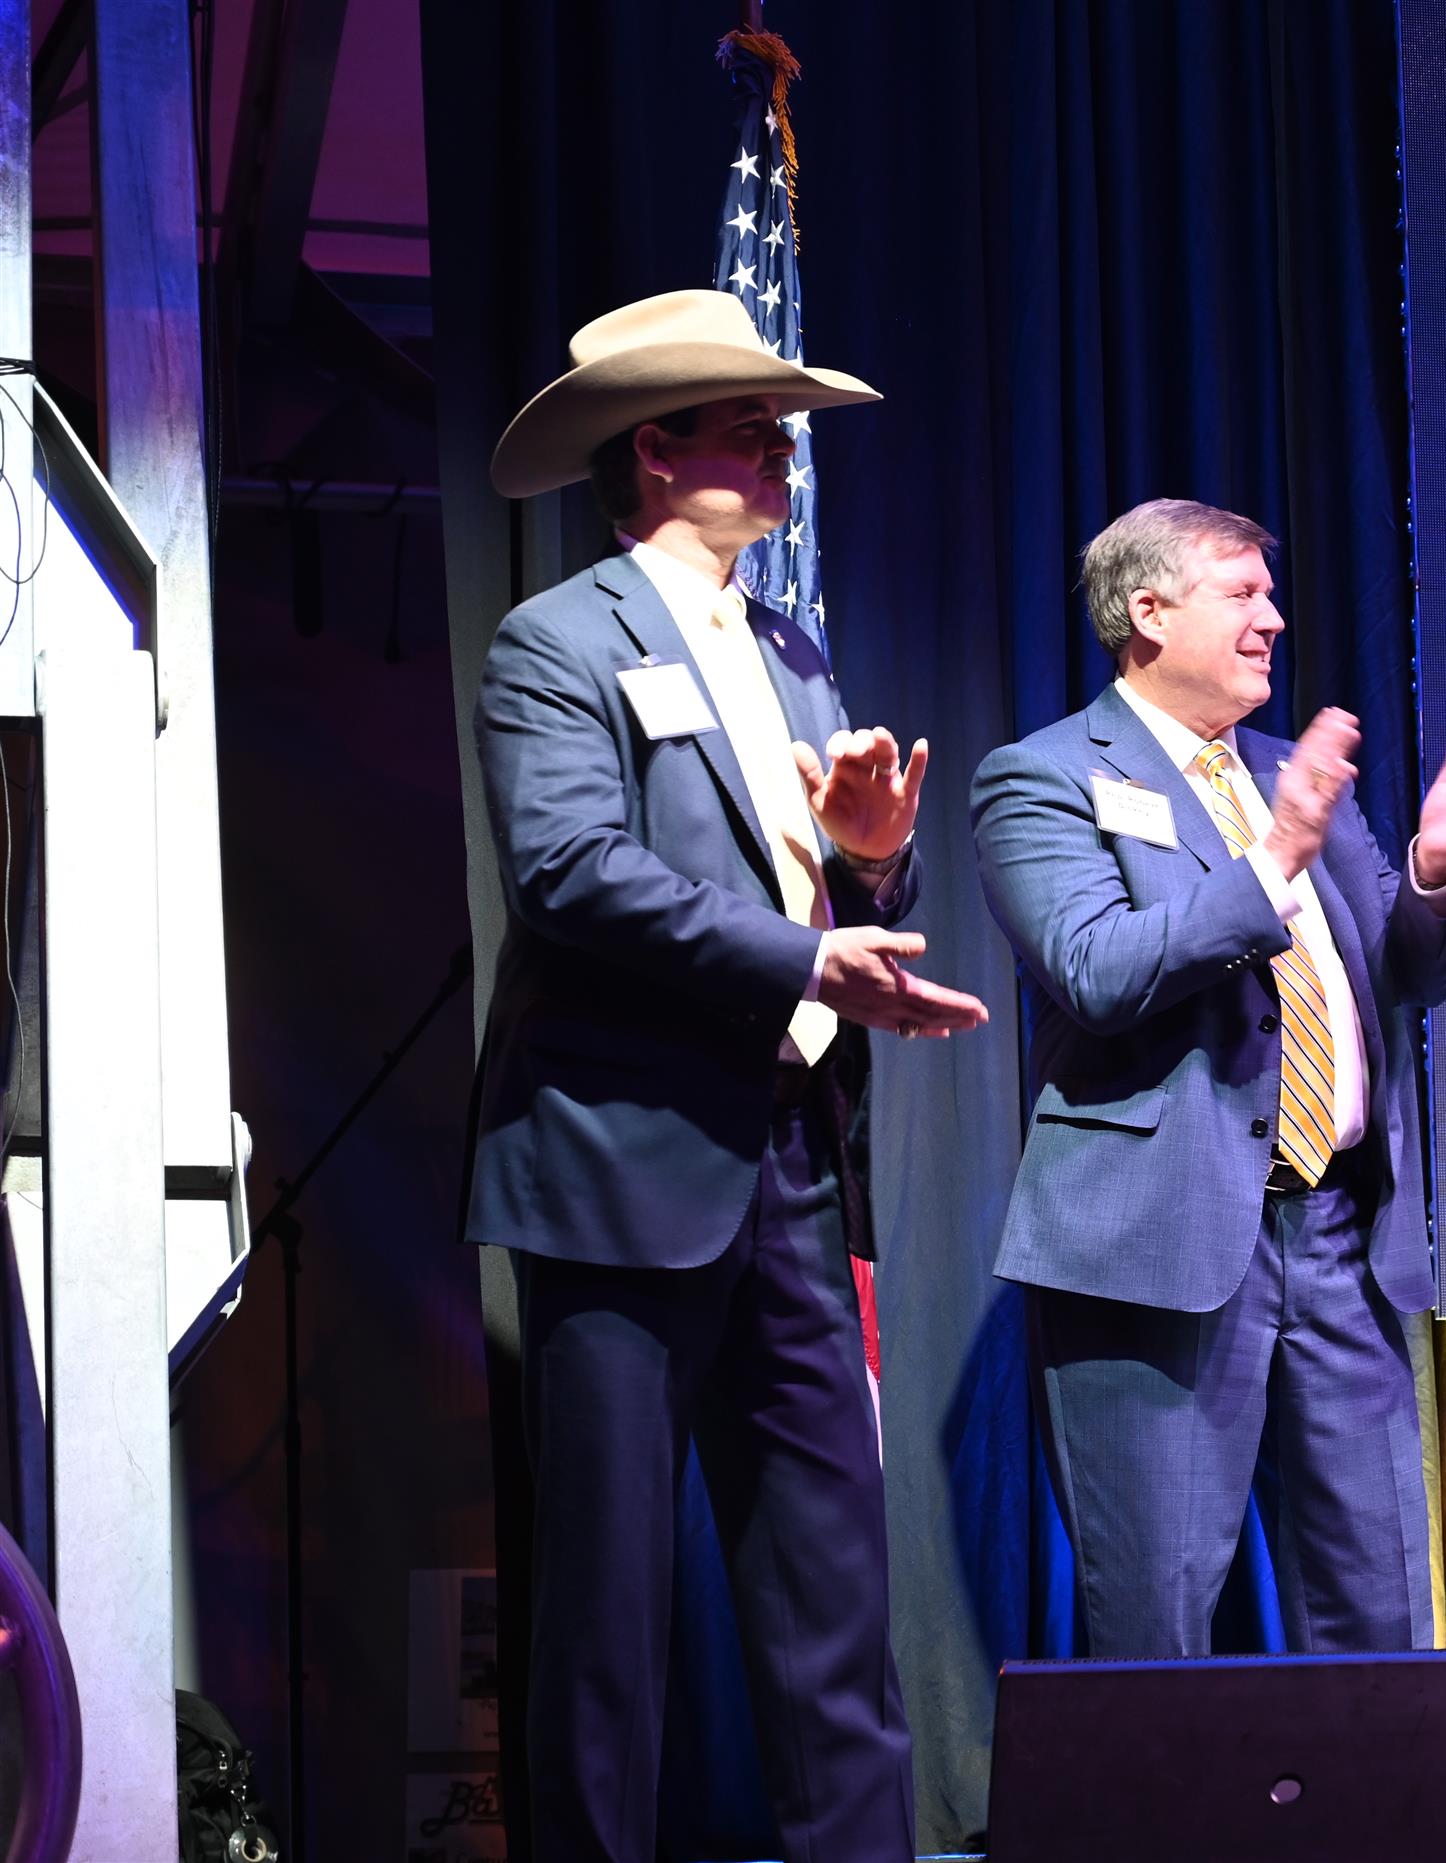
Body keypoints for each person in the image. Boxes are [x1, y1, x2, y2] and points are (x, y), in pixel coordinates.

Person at [469, 288, 988, 1861]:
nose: (782, 451)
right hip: (617, 1161)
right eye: (753, 427)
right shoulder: (558, 638)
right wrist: (805, 960)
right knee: (608, 1611)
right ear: (654, 449)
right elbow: (567, 868)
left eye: (781, 428)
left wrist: (871, 866)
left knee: (834, 1590)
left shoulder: (793, 650)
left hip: (793, 1161)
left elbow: (821, 883)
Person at [970, 498, 1446, 1657]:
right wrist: (1274, 856)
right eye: (1242, 594)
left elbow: (1405, 976)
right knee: (1156, 1622)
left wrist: (1434, 870)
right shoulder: (1043, 776)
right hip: (1159, 1247)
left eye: (1270, 595)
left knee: (1377, 1614)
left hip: (1342, 1238)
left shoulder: (1290, 775)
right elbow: (1098, 970)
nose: (1273, 618)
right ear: (1148, 611)